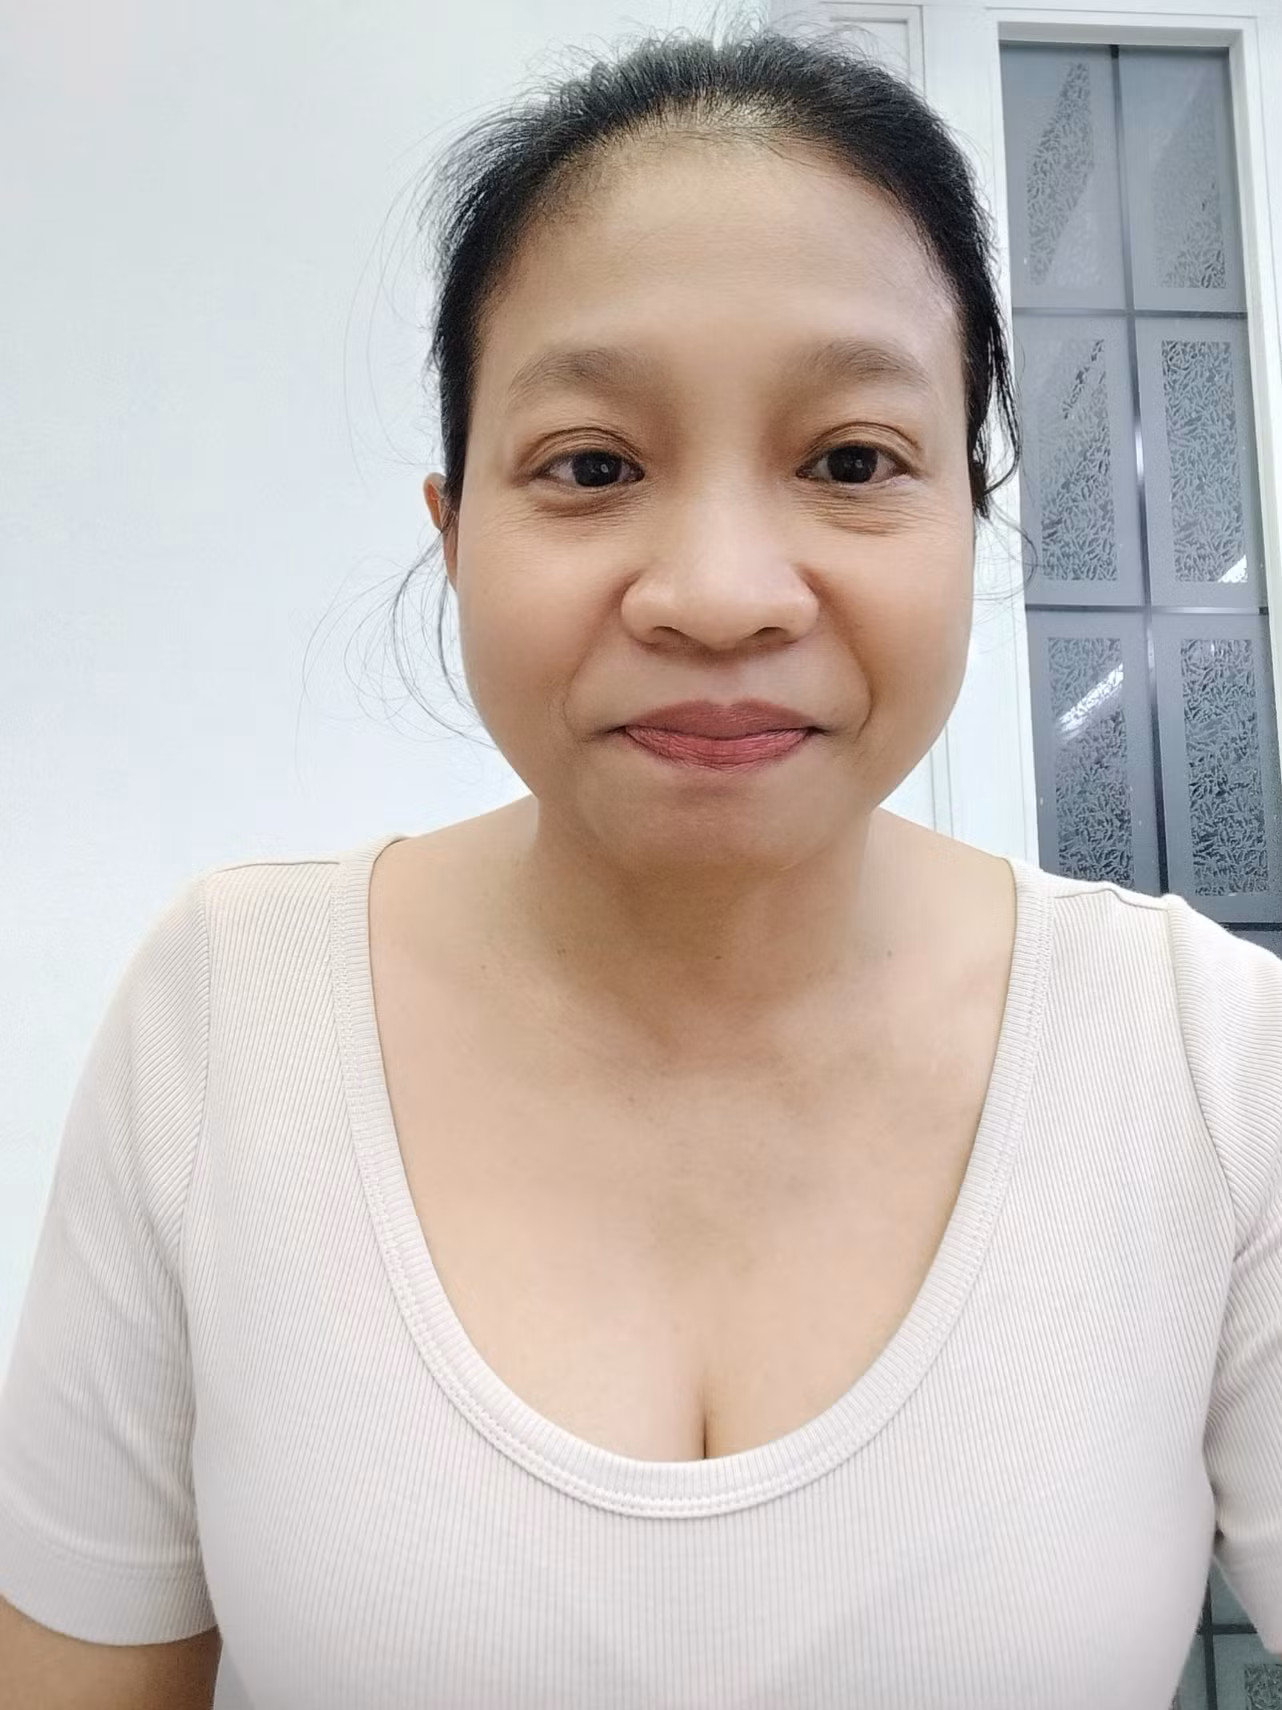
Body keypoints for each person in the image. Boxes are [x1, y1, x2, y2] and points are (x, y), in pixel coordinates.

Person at [1, 17, 1279, 1710]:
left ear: (967, 510)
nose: (720, 592)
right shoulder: (228, 1019)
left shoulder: (1205, 1059)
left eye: (850, 461)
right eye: (592, 466)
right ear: (455, 532)